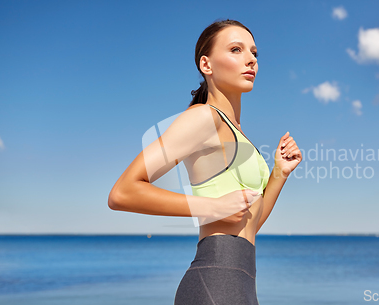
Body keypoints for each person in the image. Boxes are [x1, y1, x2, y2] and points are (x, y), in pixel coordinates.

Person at [108, 18, 302, 305]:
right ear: (206, 65)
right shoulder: (203, 118)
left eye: (254, 53)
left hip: (243, 282)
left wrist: (279, 174)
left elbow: (250, 223)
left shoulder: (239, 135)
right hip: (215, 281)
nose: (250, 60)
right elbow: (122, 192)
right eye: (236, 50)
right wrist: (212, 206)